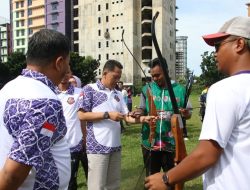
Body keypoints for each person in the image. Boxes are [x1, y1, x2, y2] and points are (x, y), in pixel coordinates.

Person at [145, 16, 250, 190]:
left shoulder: (224, 89)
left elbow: (206, 155)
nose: (215, 53)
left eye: (218, 45)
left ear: (239, 44)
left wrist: (166, 178)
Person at [0, 29, 71, 189]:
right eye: (67, 63)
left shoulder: (9, 88)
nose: (67, 70)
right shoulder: (45, 103)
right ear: (59, 62)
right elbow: (13, 174)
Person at [77, 59, 155, 190]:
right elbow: (82, 115)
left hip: (115, 146)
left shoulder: (118, 93)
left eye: (119, 78)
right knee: (97, 186)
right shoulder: (89, 89)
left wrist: (143, 119)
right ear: (105, 73)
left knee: (114, 186)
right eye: (115, 77)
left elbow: (126, 116)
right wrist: (107, 114)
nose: (117, 80)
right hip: (97, 148)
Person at [133, 58, 192, 179]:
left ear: (166, 71)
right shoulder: (147, 89)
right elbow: (142, 109)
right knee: (151, 179)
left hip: (172, 144)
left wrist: (186, 113)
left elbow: (189, 113)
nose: (154, 78)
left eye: (158, 75)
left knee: (171, 179)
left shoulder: (180, 90)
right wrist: (138, 113)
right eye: (152, 76)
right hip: (150, 142)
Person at [58, 70, 88, 190]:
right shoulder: (51, 93)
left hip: (78, 141)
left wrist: (85, 137)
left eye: (67, 73)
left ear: (70, 75)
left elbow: (84, 117)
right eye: (62, 72)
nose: (64, 75)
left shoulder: (79, 93)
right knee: (68, 181)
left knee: (89, 175)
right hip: (60, 145)